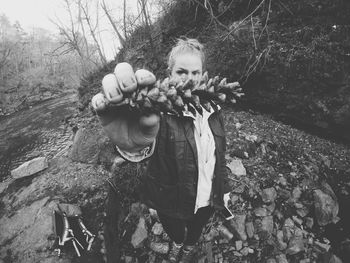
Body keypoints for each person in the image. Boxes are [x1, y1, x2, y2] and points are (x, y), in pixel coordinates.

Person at [92, 38, 231, 263]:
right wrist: (132, 145)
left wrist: (223, 189)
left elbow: (219, 155)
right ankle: (177, 244)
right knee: (176, 232)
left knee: (195, 232)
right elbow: (143, 150)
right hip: (170, 202)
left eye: (196, 72)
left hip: (207, 198)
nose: (190, 78)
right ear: (170, 73)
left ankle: (188, 248)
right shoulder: (158, 114)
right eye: (182, 71)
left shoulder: (214, 110)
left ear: (204, 74)